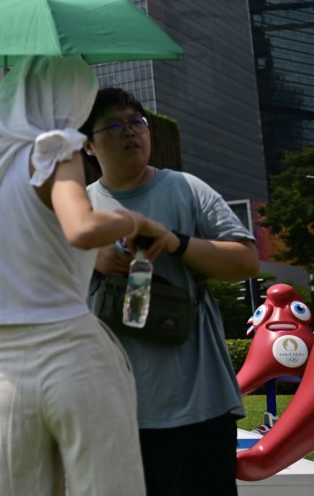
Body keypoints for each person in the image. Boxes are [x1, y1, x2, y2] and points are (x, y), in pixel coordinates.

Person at [0, 55, 168, 496]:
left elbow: (0, 260)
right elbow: (83, 229)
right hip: (73, 352)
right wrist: (137, 222)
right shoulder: (55, 148)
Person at [81, 87, 258, 495]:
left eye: (136, 122)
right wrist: (90, 259)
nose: (130, 133)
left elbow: (246, 261)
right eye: (114, 125)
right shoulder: (78, 213)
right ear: (88, 145)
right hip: (111, 416)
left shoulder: (185, 189)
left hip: (198, 408)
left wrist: (174, 240)